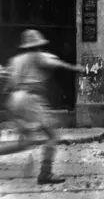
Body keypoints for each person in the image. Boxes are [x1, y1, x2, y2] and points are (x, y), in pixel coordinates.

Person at [5, 29, 84, 184]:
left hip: (14, 99)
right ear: (37, 45)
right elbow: (57, 64)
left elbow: (8, 84)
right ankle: (45, 174)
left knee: (27, 140)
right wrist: (76, 68)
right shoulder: (38, 56)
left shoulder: (15, 60)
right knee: (52, 136)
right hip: (30, 99)